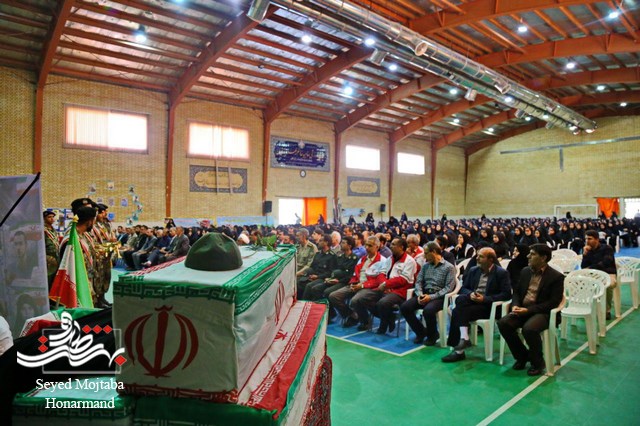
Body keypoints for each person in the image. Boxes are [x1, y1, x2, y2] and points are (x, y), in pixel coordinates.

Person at [497, 244, 564, 376]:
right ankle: (522, 356)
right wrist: (515, 305)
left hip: (543, 313)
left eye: (532, 254)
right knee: (503, 323)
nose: (528, 256)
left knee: (529, 329)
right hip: (523, 310)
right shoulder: (525, 271)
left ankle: (537, 362)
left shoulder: (556, 277)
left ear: (543, 258)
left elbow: (553, 303)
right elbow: (517, 292)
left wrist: (528, 311)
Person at [441, 248, 511, 362]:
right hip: (473, 303)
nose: (477, 258)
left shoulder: (501, 273)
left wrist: (485, 299)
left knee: (457, 311)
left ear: (490, 259)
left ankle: (459, 350)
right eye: (477, 255)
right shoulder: (474, 270)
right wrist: (471, 294)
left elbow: (506, 294)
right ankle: (464, 338)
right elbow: (463, 288)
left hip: (489, 307)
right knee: (460, 301)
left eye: (481, 256)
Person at [350, 238, 416, 334]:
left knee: (382, 303)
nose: (390, 246)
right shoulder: (390, 259)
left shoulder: (410, 261)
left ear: (401, 247)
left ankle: (383, 325)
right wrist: (384, 284)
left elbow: (403, 280)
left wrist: (386, 284)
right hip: (384, 287)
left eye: (393, 244)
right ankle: (389, 317)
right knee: (362, 299)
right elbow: (382, 274)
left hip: (400, 291)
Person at [400, 241, 457, 345]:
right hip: (424, 294)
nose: (424, 256)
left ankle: (432, 335)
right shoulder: (425, 266)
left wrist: (431, 297)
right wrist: (420, 294)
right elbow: (418, 282)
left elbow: (449, 288)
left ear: (434, 252)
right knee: (405, 307)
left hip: (440, 297)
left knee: (428, 311)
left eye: (426, 253)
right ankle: (421, 332)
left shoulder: (449, 267)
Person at [328, 236, 385, 327]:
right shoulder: (362, 259)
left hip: (371, 288)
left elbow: (379, 281)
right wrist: (353, 283)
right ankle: (352, 315)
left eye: (370, 246)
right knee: (334, 296)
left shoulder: (382, 261)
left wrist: (362, 286)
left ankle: (365, 321)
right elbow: (355, 274)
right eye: (366, 245)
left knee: (355, 300)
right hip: (357, 284)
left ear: (377, 247)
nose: (367, 248)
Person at [302, 236, 358, 302]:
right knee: (316, 288)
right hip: (334, 279)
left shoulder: (354, 259)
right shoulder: (340, 257)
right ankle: (313, 305)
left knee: (326, 292)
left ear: (349, 246)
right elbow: (334, 271)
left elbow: (350, 276)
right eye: (341, 242)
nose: (341, 244)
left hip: (344, 282)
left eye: (343, 243)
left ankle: (327, 307)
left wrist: (338, 281)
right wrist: (330, 279)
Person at [581, 229, 617, 319]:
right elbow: (583, 266)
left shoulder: (607, 248)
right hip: (593, 274)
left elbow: (605, 263)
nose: (587, 241)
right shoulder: (587, 250)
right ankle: (584, 307)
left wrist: (590, 268)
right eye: (586, 239)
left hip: (608, 273)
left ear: (597, 239)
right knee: (578, 282)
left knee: (608, 285)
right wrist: (584, 254)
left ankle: (606, 310)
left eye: (590, 239)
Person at [296, 235, 336, 299]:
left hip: (323, 278)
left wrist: (317, 276)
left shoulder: (332, 256)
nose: (318, 243)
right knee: (299, 282)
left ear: (326, 243)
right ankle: (298, 301)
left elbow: (330, 272)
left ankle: (305, 302)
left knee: (309, 286)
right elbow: (312, 267)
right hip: (313, 275)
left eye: (321, 241)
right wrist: (310, 275)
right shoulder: (318, 254)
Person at [43, 210, 60, 289]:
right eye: (49, 217)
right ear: (44, 218)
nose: (52, 219)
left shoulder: (54, 230)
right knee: (48, 279)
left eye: (53, 217)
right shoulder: (43, 231)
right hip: (48, 259)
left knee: (55, 280)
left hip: (56, 258)